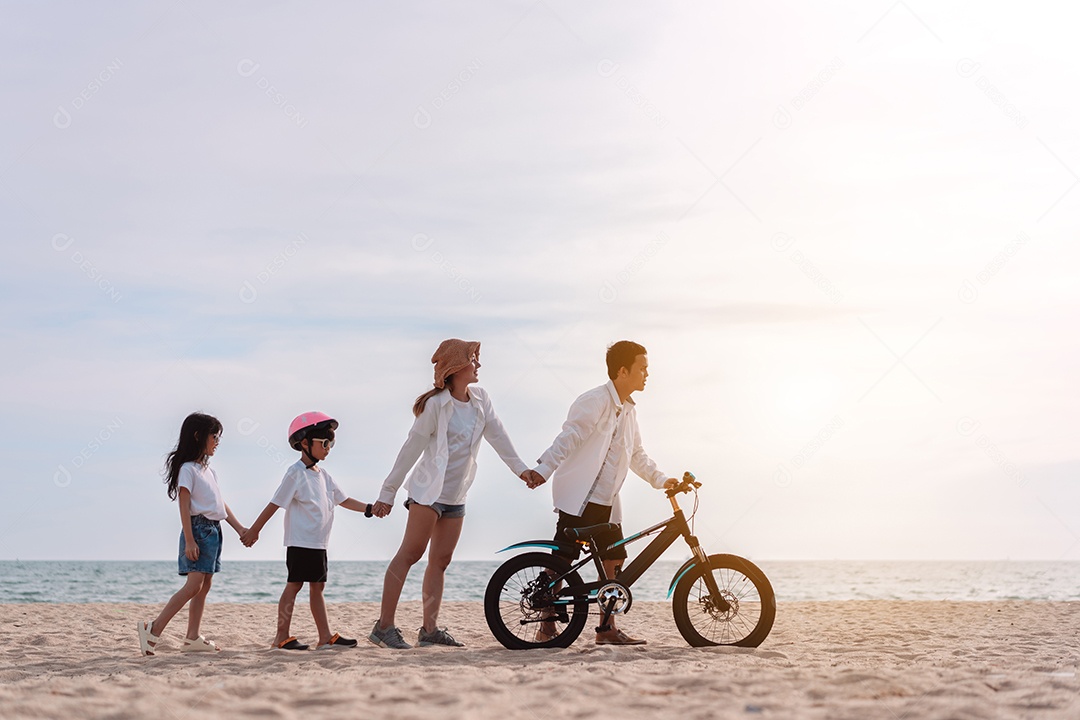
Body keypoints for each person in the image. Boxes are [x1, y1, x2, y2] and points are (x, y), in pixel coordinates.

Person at [369, 339, 544, 649]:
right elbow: (410, 449)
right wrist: (388, 492)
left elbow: (498, 435)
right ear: (456, 367)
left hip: (456, 494)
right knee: (410, 554)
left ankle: (430, 631)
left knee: (441, 561)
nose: (478, 364)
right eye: (473, 359)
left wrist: (522, 470)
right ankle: (383, 627)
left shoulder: (480, 400)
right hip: (427, 492)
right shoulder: (436, 406)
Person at [533, 340, 677, 646]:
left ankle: (606, 630)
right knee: (562, 562)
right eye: (643, 367)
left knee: (614, 563)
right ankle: (545, 625)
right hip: (579, 498)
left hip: (608, 503)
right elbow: (569, 438)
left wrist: (663, 480)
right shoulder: (594, 400)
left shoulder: (629, 411)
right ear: (623, 371)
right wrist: (543, 469)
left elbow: (637, 455)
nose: (647, 374)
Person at [240, 412, 370, 651]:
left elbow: (344, 500)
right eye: (325, 443)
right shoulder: (295, 473)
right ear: (305, 444)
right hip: (300, 542)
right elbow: (275, 503)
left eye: (332, 443)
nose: (329, 448)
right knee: (294, 585)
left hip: (319, 543)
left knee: (317, 587)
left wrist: (369, 509)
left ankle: (324, 637)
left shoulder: (324, 476)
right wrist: (255, 531)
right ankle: (281, 636)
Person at [138, 412, 248, 656]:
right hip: (198, 529)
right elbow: (184, 505)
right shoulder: (188, 469)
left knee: (204, 585)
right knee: (193, 586)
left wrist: (239, 528)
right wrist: (189, 539)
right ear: (198, 436)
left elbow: (220, 504)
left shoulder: (209, 471)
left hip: (213, 530)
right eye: (214, 436)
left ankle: (192, 637)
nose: (217, 441)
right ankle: (153, 629)